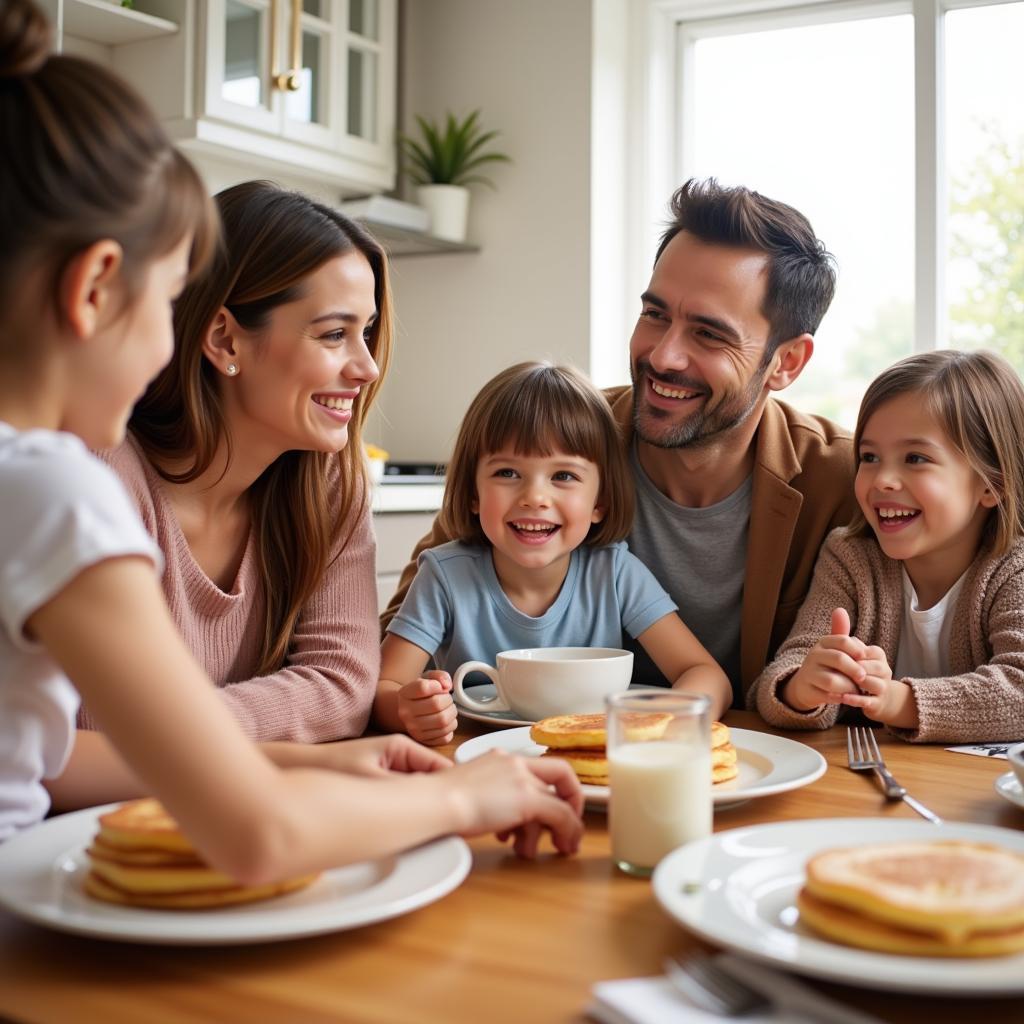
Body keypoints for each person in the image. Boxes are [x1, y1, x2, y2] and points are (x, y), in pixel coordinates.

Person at [0, 0, 582, 870]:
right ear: (96, 289)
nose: (365, 367)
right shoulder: (55, 485)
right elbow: (258, 838)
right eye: (166, 305)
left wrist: (321, 759)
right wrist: (464, 793)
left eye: (368, 335)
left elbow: (48, 755)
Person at [382, 180, 856, 707]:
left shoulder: (844, 477)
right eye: (655, 315)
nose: (663, 356)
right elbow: (394, 656)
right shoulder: (557, 438)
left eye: (708, 334)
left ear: (787, 361)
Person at [79, 180, 389, 743]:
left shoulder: (331, 488)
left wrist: (178, 730)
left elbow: (344, 688)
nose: (366, 367)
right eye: (334, 334)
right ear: (224, 339)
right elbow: (97, 725)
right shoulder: (102, 475)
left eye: (365, 332)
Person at [375, 362, 732, 744]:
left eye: (563, 476)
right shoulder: (444, 575)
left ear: (601, 501)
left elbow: (704, 673)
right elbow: (383, 687)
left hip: (593, 759)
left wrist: (665, 727)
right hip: (478, 763)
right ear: (474, 494)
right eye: (508, 473)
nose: (534, 498)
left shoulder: (614, 573)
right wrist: (408, 709)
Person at [749, 350, 1024, 743]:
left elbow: (1019, 688)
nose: (883, 480)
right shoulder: (849, 556)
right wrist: (804, 689)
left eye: (915, 458)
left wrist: (897, 700)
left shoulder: (1014, 567)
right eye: (869, 457)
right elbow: (792, 664)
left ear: (991, 485)